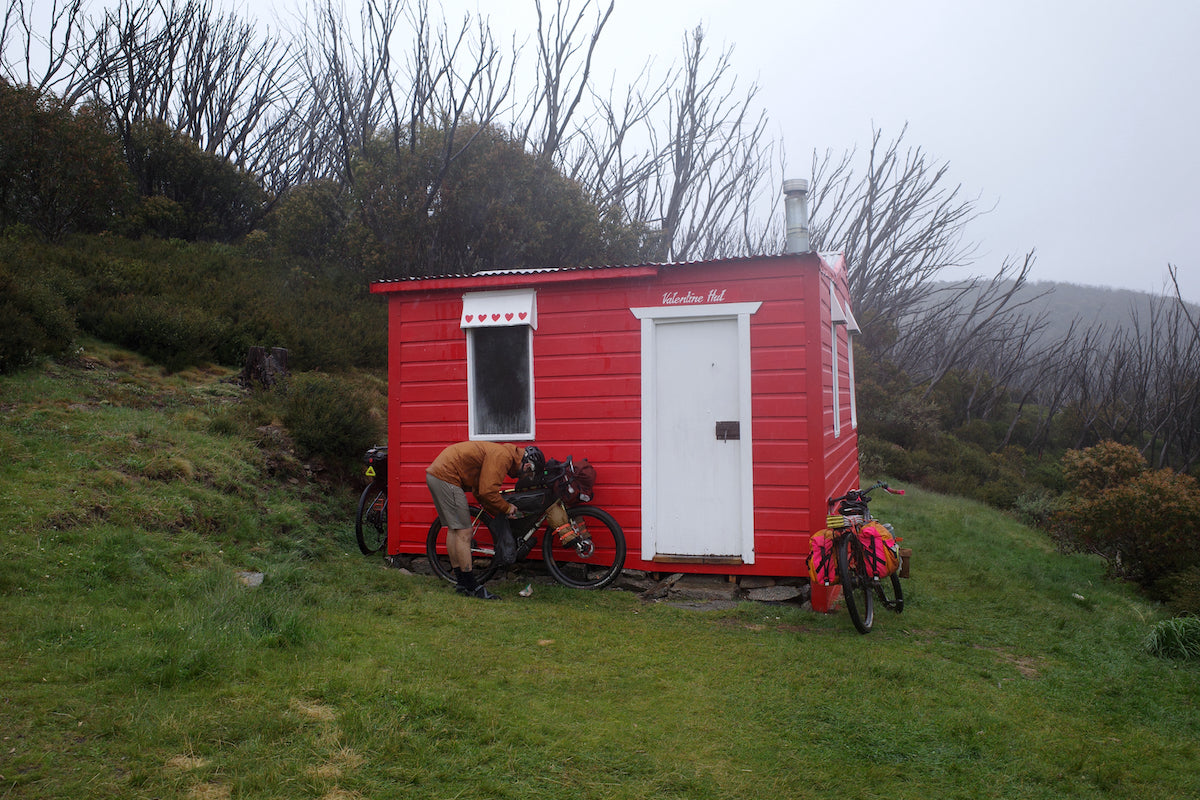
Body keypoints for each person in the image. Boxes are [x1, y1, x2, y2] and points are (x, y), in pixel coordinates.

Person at [426, 441, 545, 599]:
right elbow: (488, 492)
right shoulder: (503, 456)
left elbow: (480, 491)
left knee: (454, 530)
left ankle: (462, 583)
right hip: (447, 476)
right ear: (528, 465)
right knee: (464, 531)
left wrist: (496, 510)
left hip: (438, 474)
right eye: (528, 474)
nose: (524, 477)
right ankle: (472, 586)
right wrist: (506, 507)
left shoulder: (502, 453)